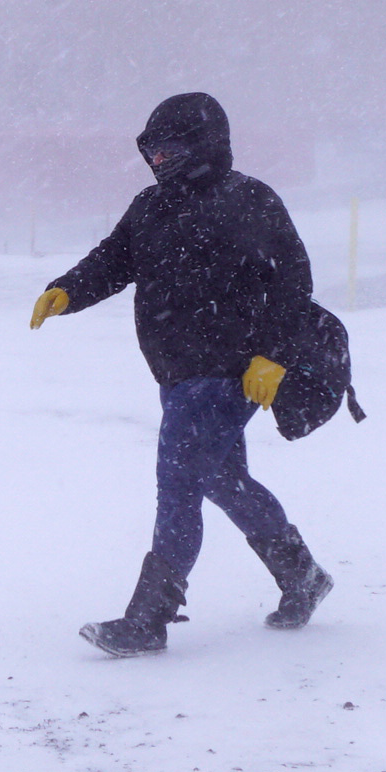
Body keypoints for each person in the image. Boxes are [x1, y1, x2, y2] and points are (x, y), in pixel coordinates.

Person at [29, 92, 334, 656]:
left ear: (203, 144)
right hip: (176, 372)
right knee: (222, 480)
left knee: (177, 481)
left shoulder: (250, 199)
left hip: (230, 371)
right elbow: (113, 259)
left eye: (170, 149)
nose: (160, 160)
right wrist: (68, 289)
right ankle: (302, 575)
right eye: (153, 150)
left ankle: (150, 618)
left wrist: (273, 353)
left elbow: (293, 279)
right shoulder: (150, 207)